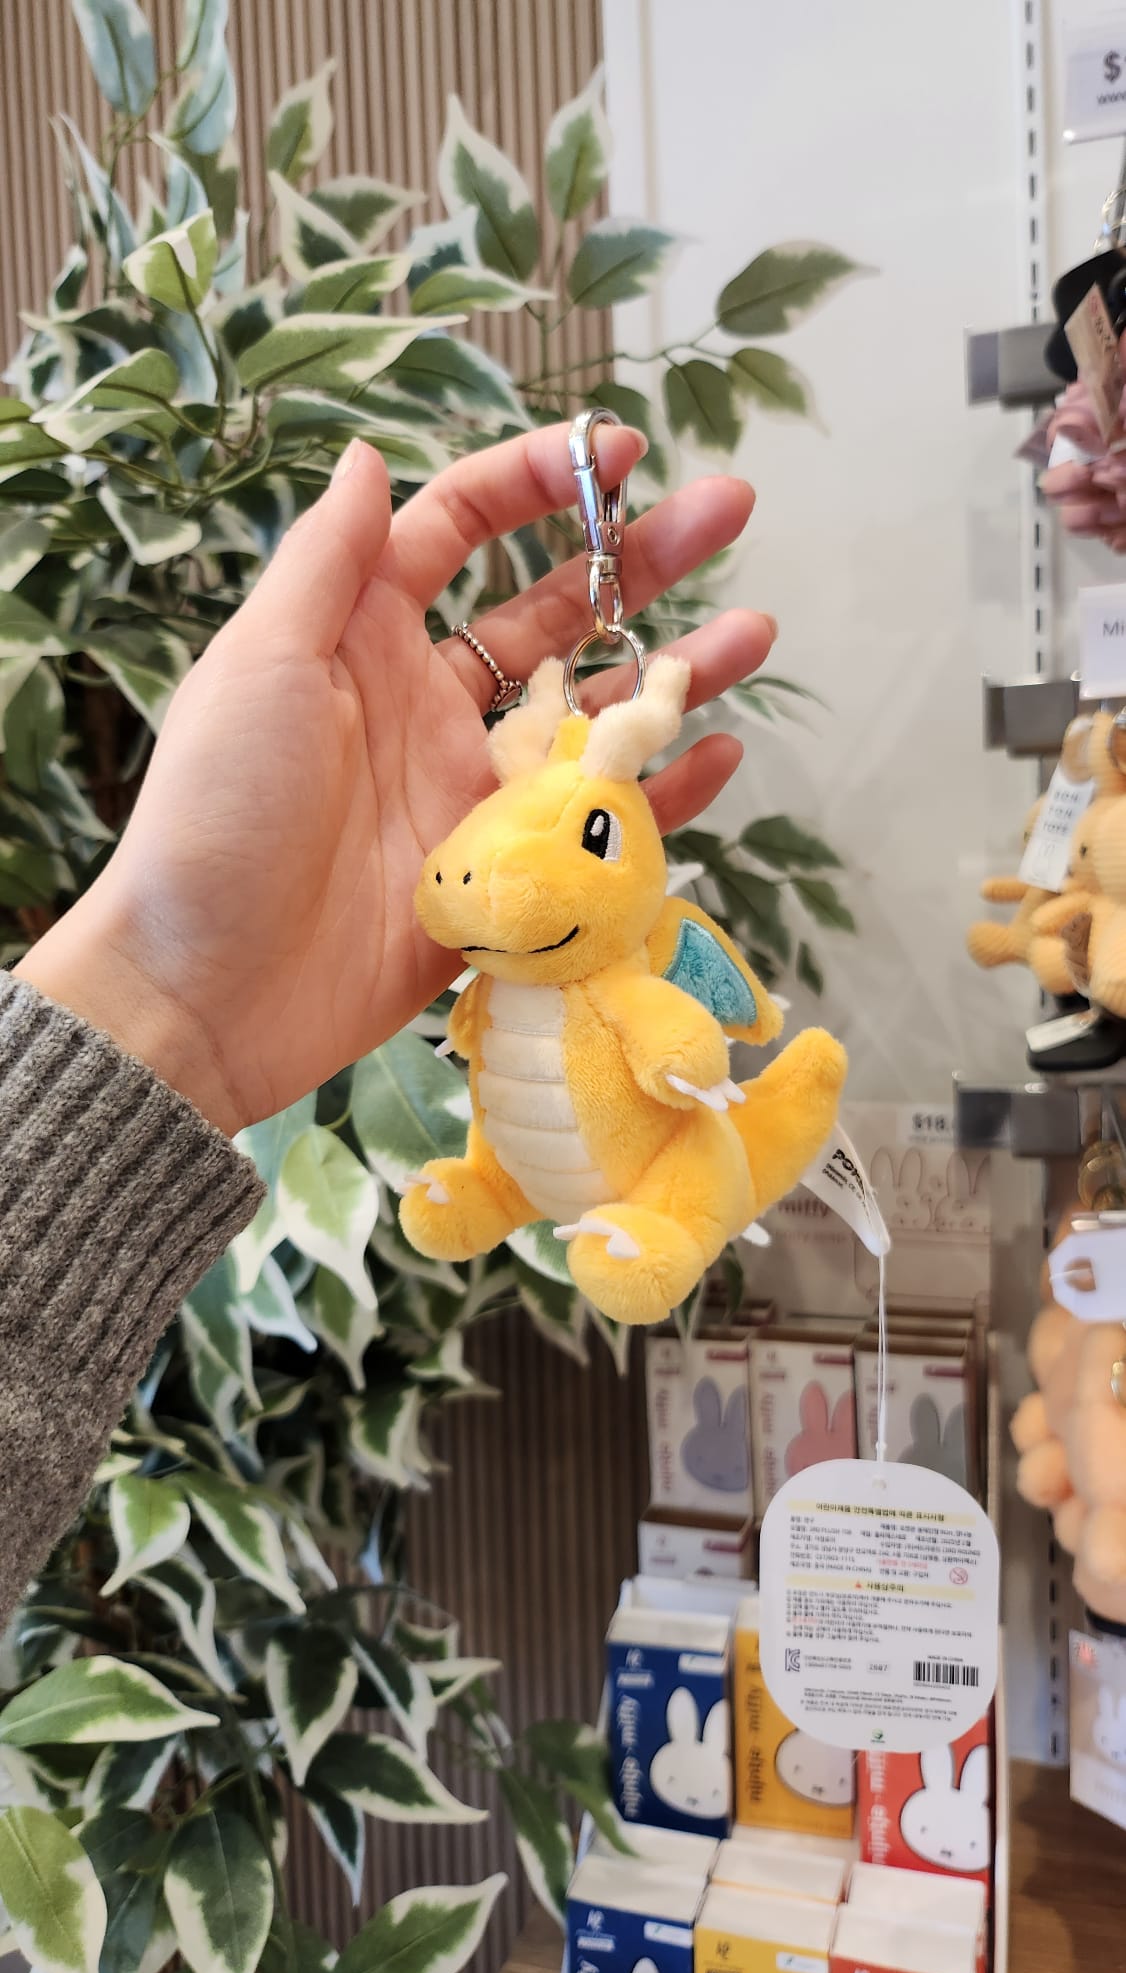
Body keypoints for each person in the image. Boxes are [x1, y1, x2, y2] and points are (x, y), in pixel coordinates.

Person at [0, 424, 775, 1625]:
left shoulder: (625, 954)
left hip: (641, 1143)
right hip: (499, 1134)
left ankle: (655, 1235)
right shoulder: (474, 930)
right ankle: (489, 1190)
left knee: (698, 1159)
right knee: (483, 1156)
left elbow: (679, 1036)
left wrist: (158, 1002)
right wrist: (163, 992)